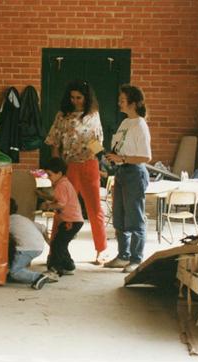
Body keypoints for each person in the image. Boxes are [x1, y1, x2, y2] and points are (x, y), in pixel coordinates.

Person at [45, 80, 107, 265]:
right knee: (62, 208)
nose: (75, 101)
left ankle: (101, 250)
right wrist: (56, 168)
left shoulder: (93, 115)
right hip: (69, 165)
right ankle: (54, 251)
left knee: (95, 208)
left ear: (86, 98)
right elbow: (55, 142)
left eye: (79, 98)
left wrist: (103, 161)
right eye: (72, 97)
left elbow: (96, 142)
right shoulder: (62, 115)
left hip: (90, 164)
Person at [104, 84, 152, 273]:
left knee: (135, 217)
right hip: (122, 172)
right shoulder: (125, 123)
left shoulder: (140, 124)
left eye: (122, 100)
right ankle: (123, 256)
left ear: (133, 103)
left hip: (135, 172)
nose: (119, 103)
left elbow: (146, 157)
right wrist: (112, 157)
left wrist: (122, 158)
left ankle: (136, 258)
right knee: (120, 216)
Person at [43, 157, 84, 276]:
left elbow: (61, 204)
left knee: (58, 244)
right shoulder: (64, 182)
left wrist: (49, 206)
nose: (48, 178)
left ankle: (56, 268)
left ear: (59, 173)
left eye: (49, 174)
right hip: (72, 220)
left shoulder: (61, 185)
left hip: (71, 221)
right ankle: (69, 266)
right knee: (60, 243)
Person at [8, 198, 57, 290]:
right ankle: (18, 274)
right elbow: (42, 227)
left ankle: (39, 277)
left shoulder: (6, 221)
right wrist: (49, 243)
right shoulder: (21, 218)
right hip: (38, 247)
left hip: (26, 249)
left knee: (15, 272)